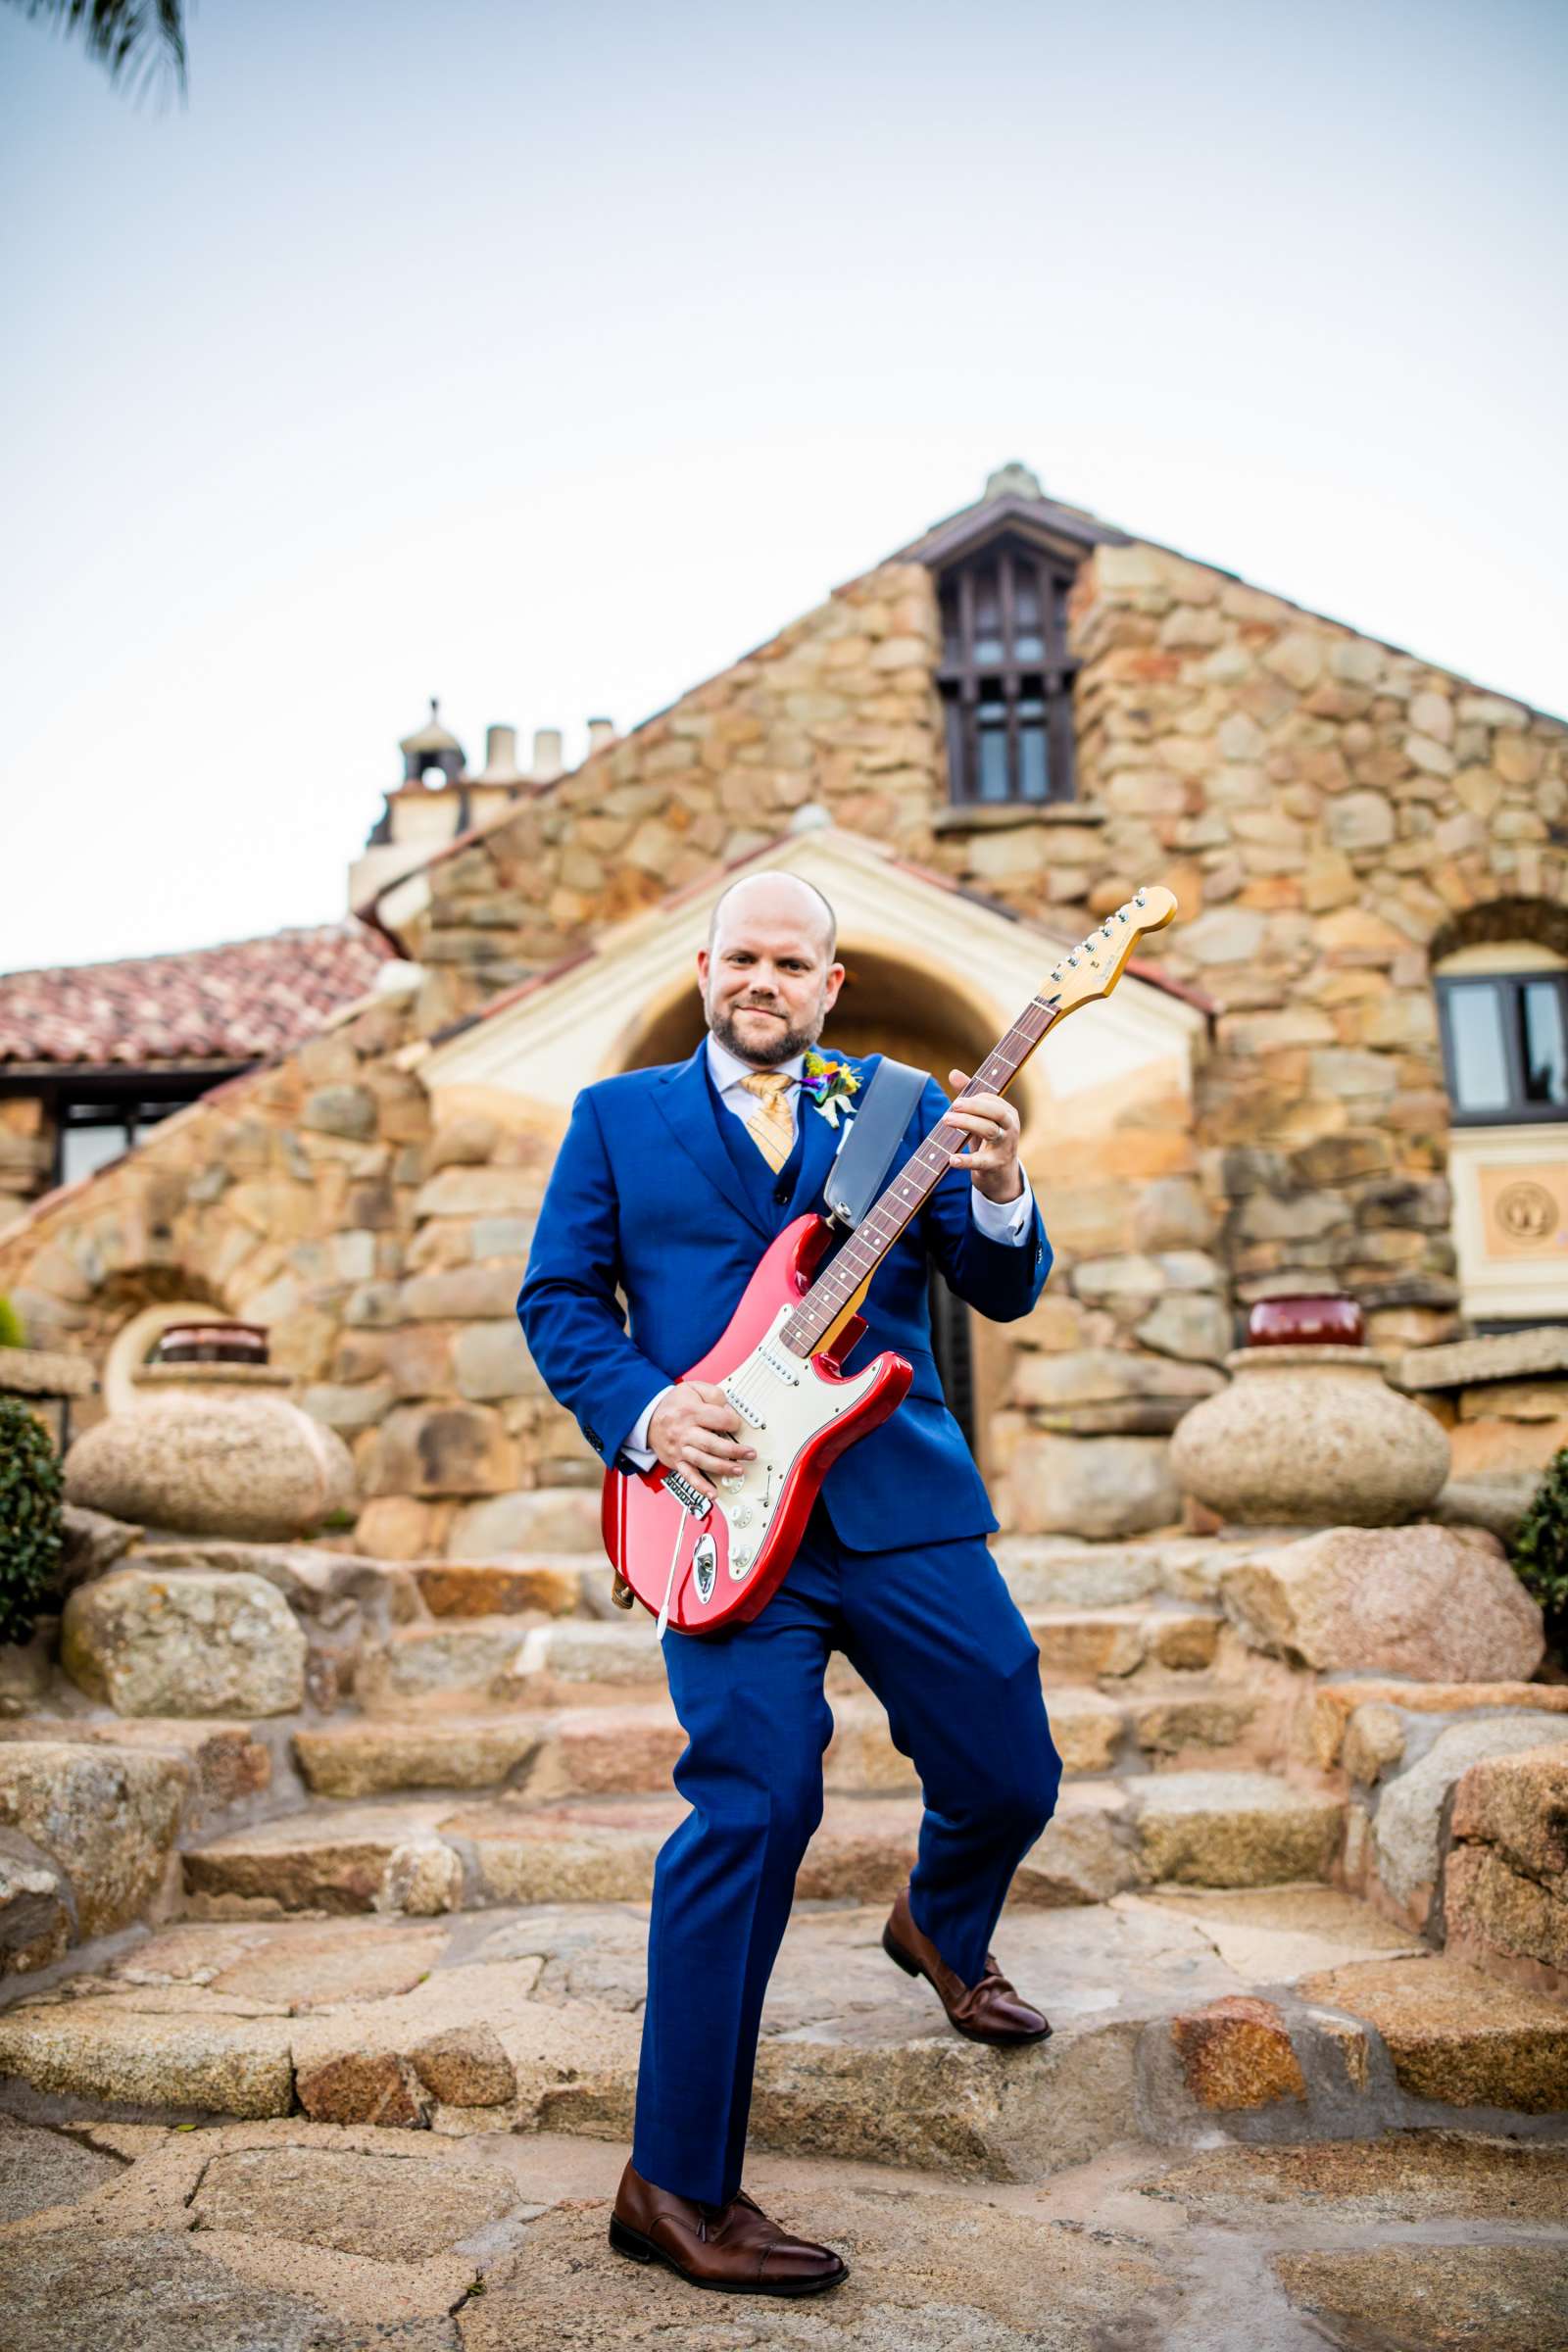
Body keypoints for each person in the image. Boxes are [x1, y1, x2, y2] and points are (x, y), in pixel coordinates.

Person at [517, 870, 1062, 2298]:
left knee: (1013, 1772)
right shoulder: (614, 1120)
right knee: (755, 1810)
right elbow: (560, 1304)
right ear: (707, 970)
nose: (764, 979)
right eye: (740, 957)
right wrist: (645, 1414)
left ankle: (938, 1921)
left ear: (830, 985)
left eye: (793, 962)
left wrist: (999, 1185)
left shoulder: (890, 1106)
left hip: (897, 1499)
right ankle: (675, 2184)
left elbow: (996, 1292)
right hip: (716, 1514)